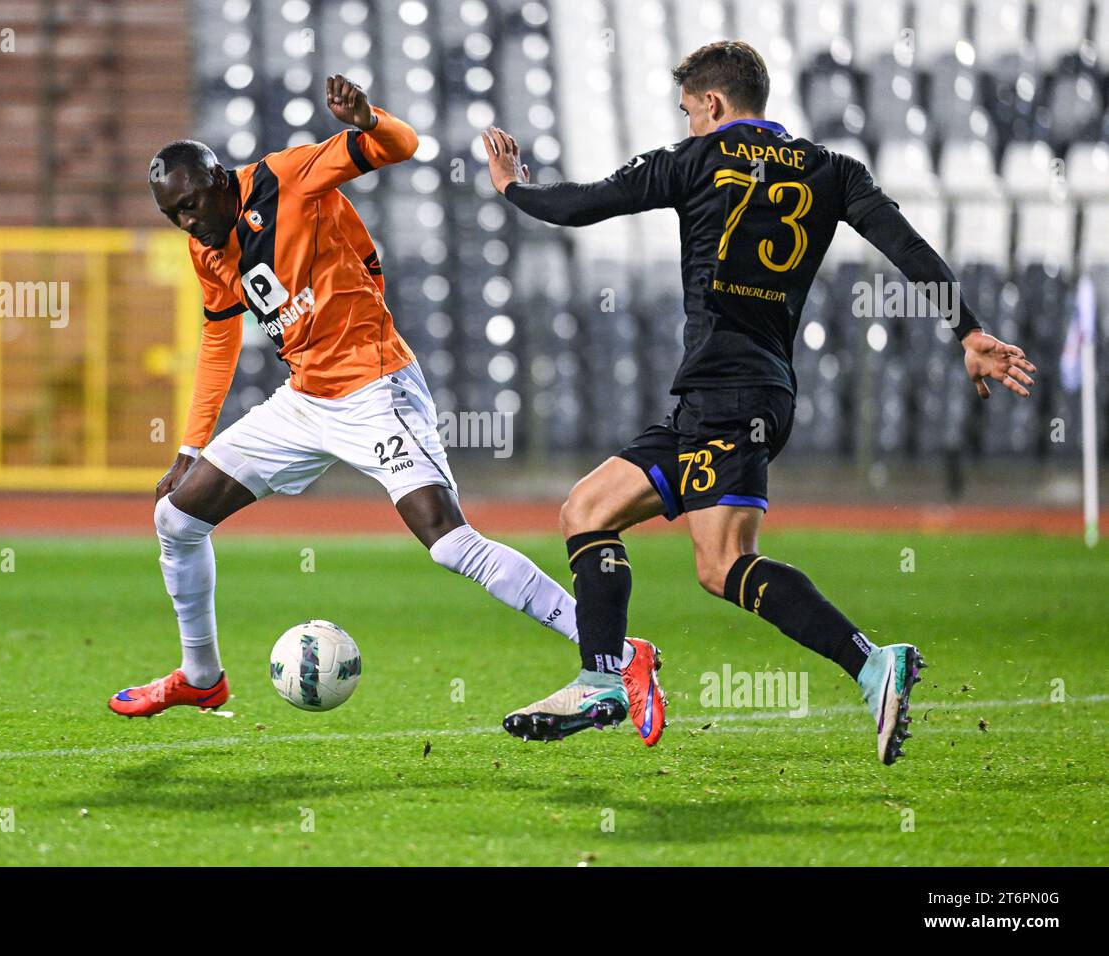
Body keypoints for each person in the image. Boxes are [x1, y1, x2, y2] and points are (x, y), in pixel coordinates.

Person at [484, 41, 1036, 761]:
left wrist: (512, 188)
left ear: (711, 104)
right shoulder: (833, 171)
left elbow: (584, 204)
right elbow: (906, 246)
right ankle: (604, 675)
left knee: (723, 565)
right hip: (741, 392)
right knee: (586, 510)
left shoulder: (691, 160)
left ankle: (871, 663)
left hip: (728, 393)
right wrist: (967, 329)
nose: (687, 126)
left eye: (689, 111)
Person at [109, 75, 662, 732]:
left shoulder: (287, 179)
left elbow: (400, 145)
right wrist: (191, 447)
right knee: (176, 517)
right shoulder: (207, 247)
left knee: (449, 541)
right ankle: (202, 679)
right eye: (175, 214)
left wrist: (368, 118)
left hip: (375, 386)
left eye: (195, 205)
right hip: (305, 399)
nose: (189, 222)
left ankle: (618, 652)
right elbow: (221, 339)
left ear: (222, 179)